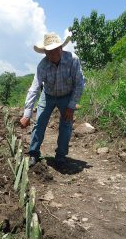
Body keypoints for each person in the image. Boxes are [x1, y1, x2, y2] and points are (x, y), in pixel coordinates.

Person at [19, 32, 85, 167]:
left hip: (66, 96)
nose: (54, 53)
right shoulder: (42, 66)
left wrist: (71, 106)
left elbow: (79, 83)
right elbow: (34, 88)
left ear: (61, 48)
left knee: (66, 125)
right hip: (47, 95)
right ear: (45, 52)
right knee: (40, 123)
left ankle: (60, 156)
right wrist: (27, 114)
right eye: (50, 51)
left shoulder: (73, 60)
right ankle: (33, 153)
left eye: (56, 49)